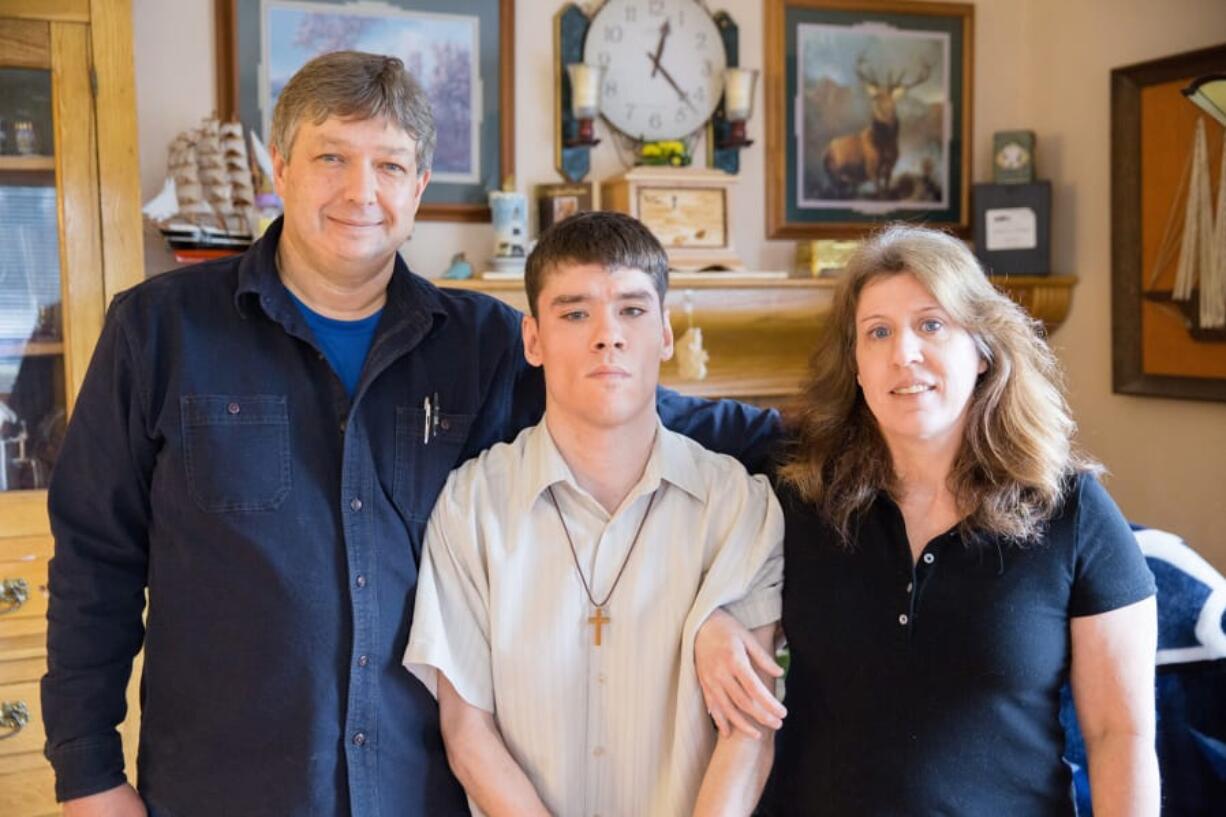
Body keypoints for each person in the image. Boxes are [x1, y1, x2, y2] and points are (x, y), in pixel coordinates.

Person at [41, 52, 778, 817]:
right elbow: (95, 559)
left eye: (390, 165)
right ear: (281, 166)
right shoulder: (158, 331)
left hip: (421, 793)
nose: (361, 191)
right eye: (332, 157)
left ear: (419, 187)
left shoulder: (483, 344)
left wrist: (728, 599)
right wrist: (89, 775)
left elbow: (652, 416)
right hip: (229, 790)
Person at [704, 224, 1160, 815]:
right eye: (878, 333)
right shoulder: (799, 494)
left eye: (931, 325)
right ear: (857, 367)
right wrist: (706, 621)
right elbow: (666, 471)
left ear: (983, 350)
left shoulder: (1069, 510)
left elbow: (1119, 737)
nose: (905, 354)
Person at [402, 211, 783, 817]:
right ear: (533, 339)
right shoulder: (472, 504)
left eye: (632, 310)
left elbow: (749, 731)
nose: (608, 335)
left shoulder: (738, 504)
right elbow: (467, 732)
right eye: (575, 313)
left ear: (665, 332)